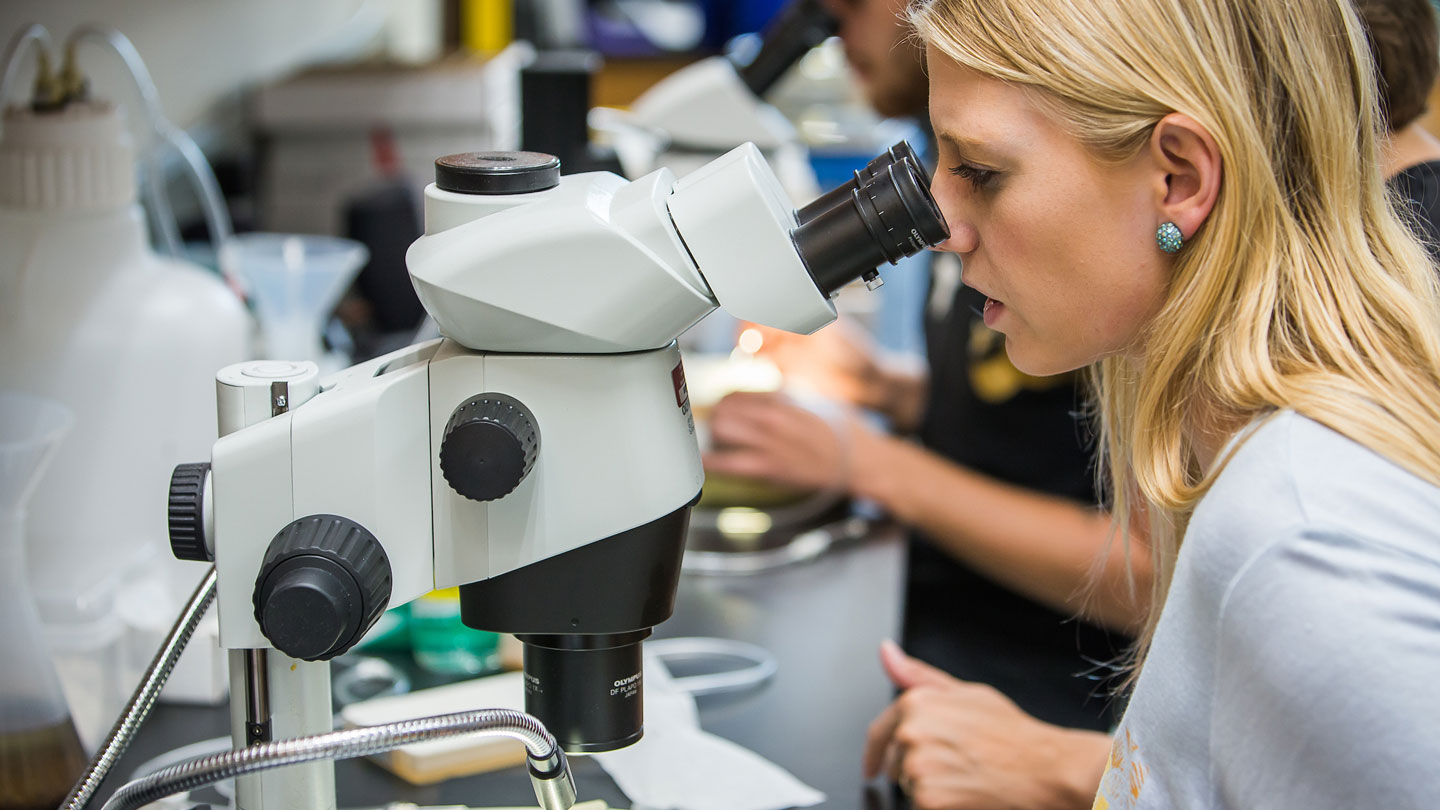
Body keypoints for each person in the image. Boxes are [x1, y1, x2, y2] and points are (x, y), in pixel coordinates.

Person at [855, 1, 1440, 807]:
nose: (940, 226)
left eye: (982, 172)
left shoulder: (1300, 547)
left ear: (1180, 179)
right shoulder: (1240, 467)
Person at [703, 0, 1141, 736]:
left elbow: (1148, 573)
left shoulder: (1103, 254)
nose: (946, 226)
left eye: (981, 171)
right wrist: (881, 388)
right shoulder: (989, 190)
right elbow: (1034, 425)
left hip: (1050, 688)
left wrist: (868, 464)